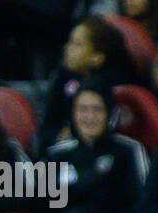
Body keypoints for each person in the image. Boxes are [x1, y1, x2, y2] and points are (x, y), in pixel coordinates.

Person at [42, 82, 147, 213]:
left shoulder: (128, 150)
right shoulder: (57, 154)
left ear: (109, 114)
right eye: (82, 109)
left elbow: (141, 205)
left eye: (97, 109)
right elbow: (43, 207)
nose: (89, 116)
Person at [38, 16, 135, 153]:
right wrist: (56, 137)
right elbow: (48, 122)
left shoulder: (109, 87)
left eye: (77, 44)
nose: (67, 48)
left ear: (96, 58)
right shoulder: (63, 76)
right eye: (69, 41)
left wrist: (74, 133)